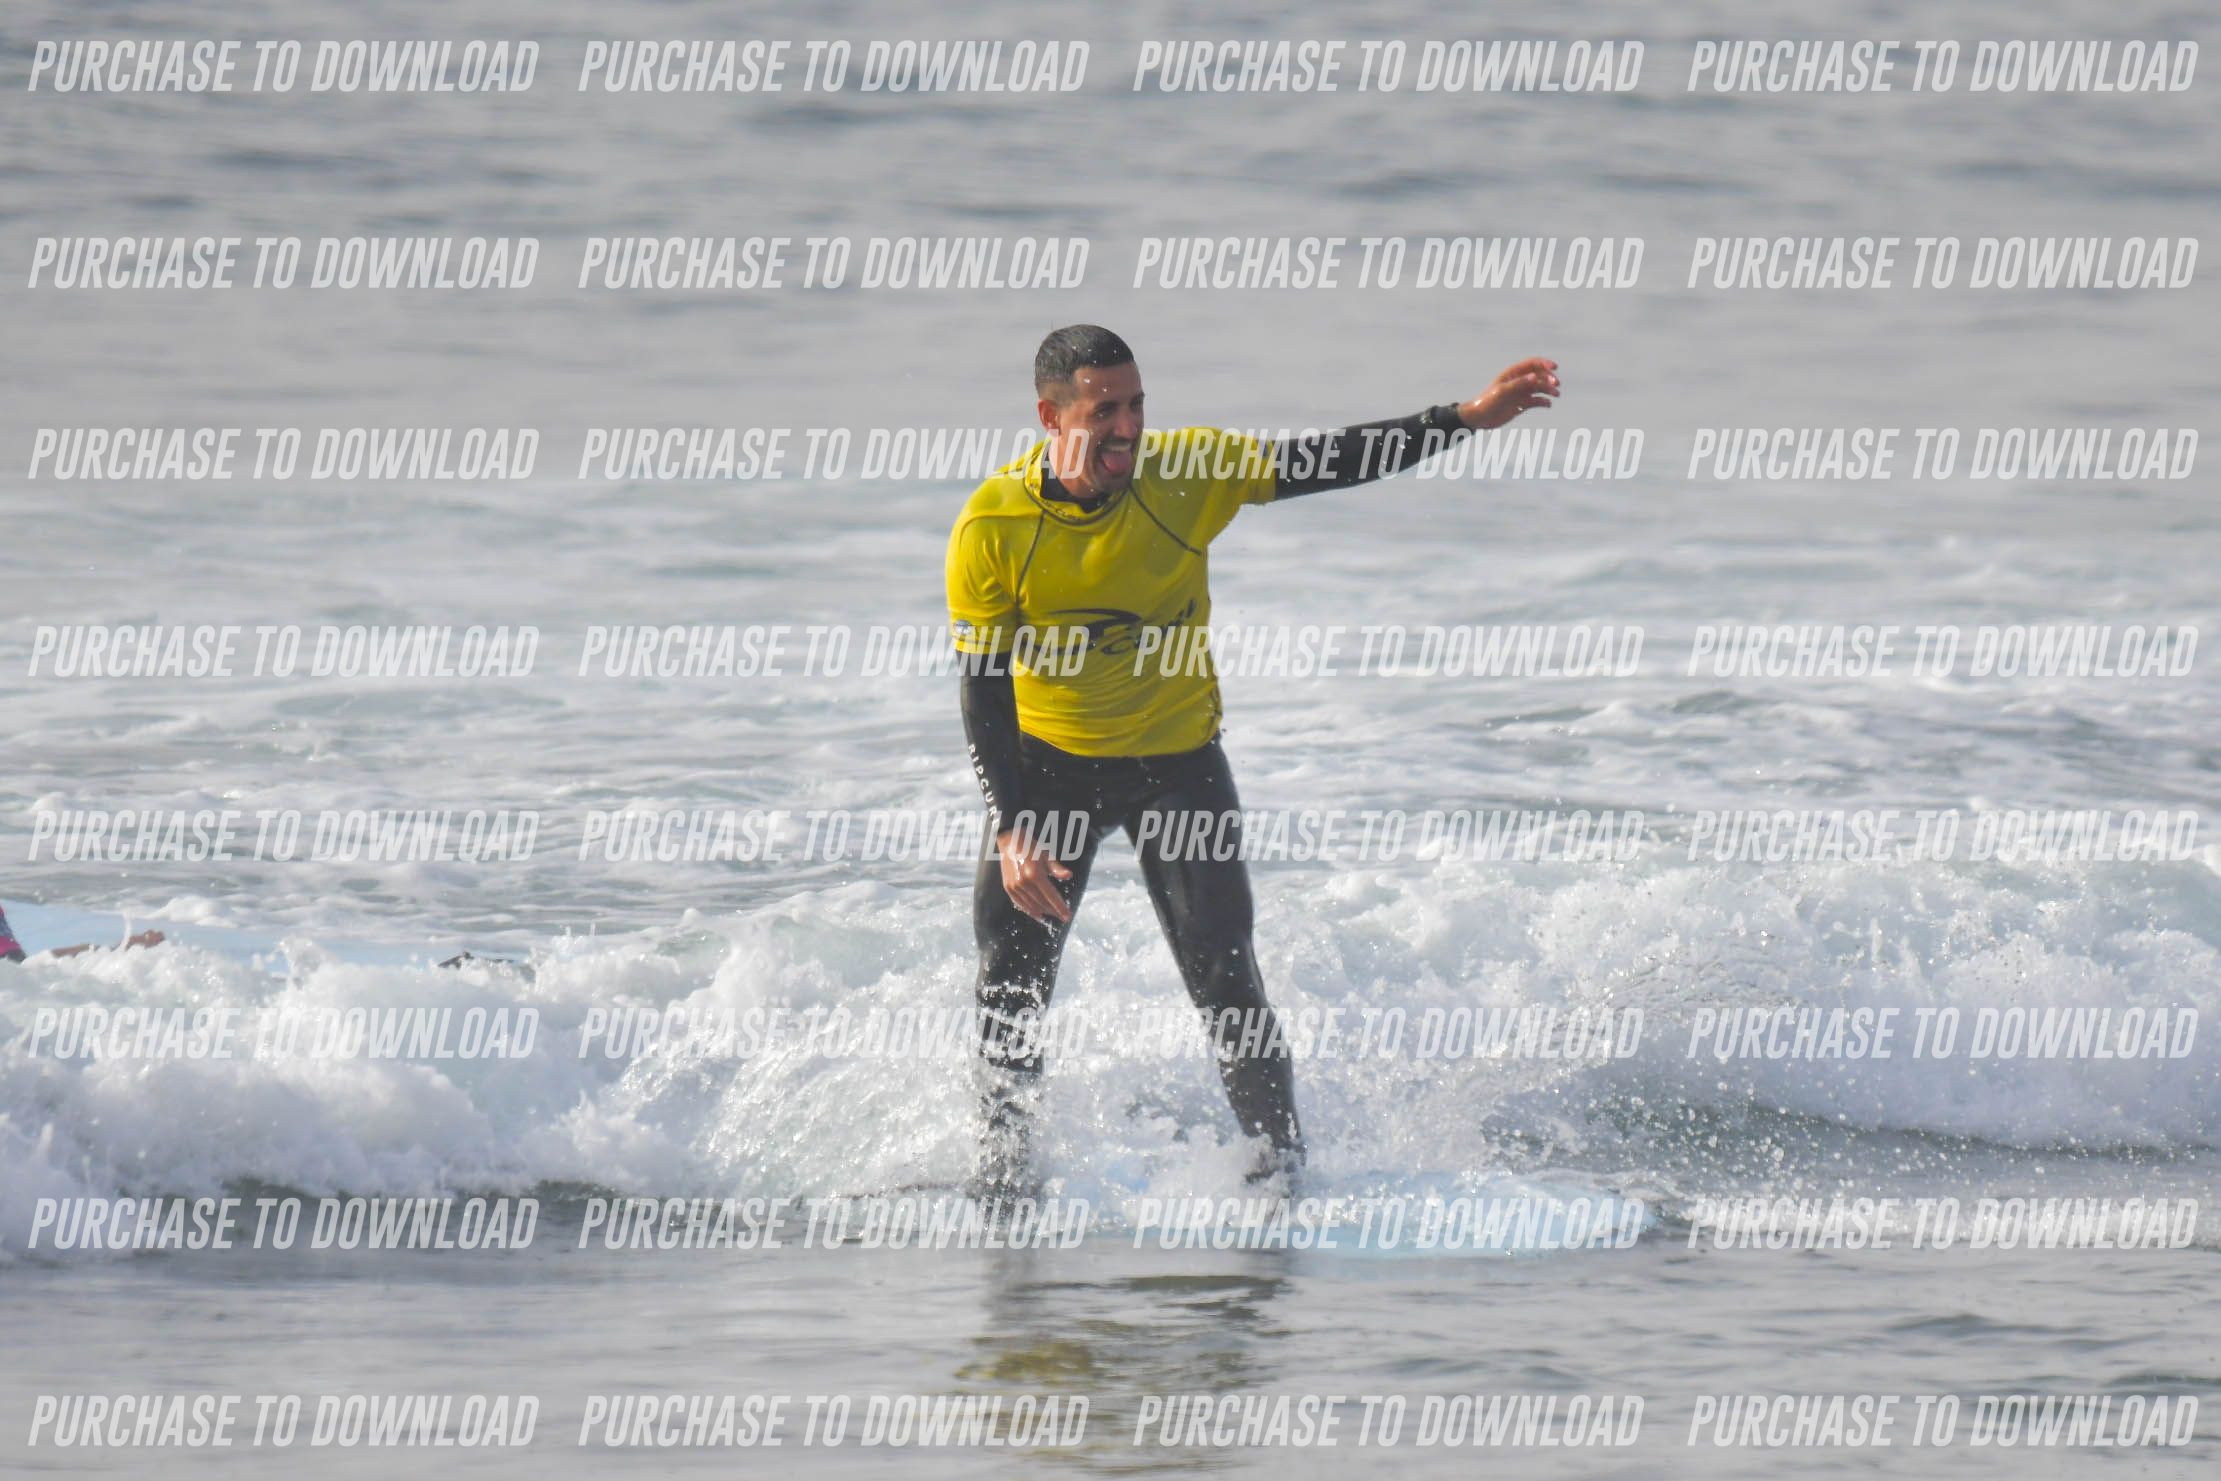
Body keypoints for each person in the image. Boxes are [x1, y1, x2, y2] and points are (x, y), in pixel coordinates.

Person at [946, 325, 1560, 1192]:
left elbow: (1327, 459)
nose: (1128, 428)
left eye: (1136, 405)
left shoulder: (1185, 473)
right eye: (1104, 410)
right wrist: (1013, 827)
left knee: (1226, 976)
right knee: (1008, 985)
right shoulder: (993, 524)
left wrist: (1461, 418)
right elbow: (983, 687)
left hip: (1175, 767)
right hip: (1049, 771)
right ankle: (1003, 1184)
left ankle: (1279, 1179)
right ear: (1050, 417)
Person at [0, 903, 165, 961]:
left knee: (46, 961)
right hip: (12, 954)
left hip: (8, 955)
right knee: (46, 961)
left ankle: (128, 945)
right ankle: (128, 946)